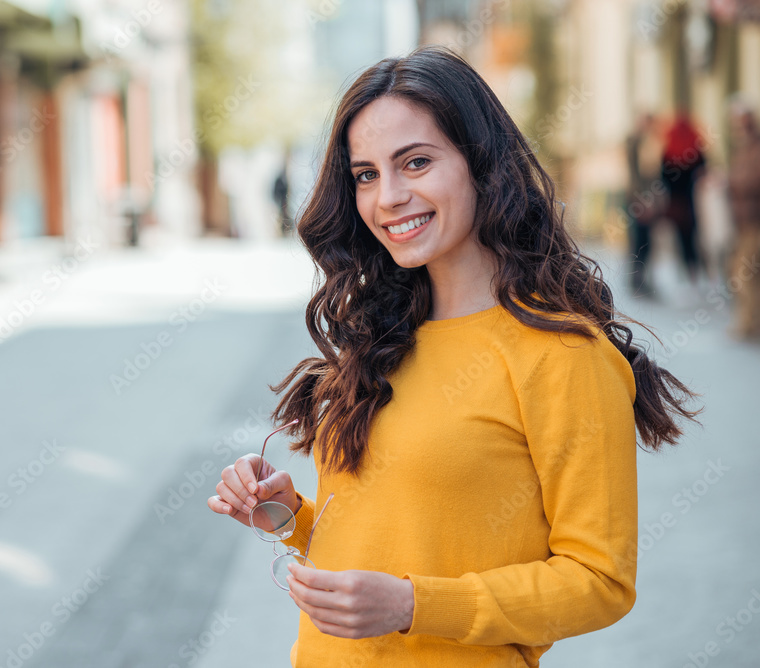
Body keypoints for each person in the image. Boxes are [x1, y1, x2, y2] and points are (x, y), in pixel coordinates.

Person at [207, 46, 703, 667]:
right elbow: (396, 542)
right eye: (366, 174)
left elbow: (600, 581)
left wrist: (416, 606)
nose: (388, 196)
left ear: (482, 165)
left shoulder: (562, 354)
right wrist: (289, 515)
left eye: (415, 162)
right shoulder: (377, 340)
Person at [660, 111, 708, 289]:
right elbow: (704, 170)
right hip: (693, 202)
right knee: (694, 236)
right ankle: (695, 271)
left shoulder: (669, 150)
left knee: (681, 238)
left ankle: (687, 271)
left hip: (676, 203)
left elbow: (663, 177)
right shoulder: (695, 148)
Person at [726, 99, 760, 340]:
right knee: (747, 274)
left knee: (742, 273)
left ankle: (749, 323)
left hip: (754, 222)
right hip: (743, 223)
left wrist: (732, 183)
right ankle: (750, 323)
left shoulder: (754, 149)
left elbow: (750, 182)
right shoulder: (743, 148)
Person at [625, 112, 663, 297]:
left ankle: (642, 280)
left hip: (647, 199)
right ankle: (637, 281)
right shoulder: (636, 143)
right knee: (639, 241)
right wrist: (643, 199)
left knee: (646, 242)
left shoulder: (651, 142)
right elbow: (637, 176)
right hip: (639, 199)